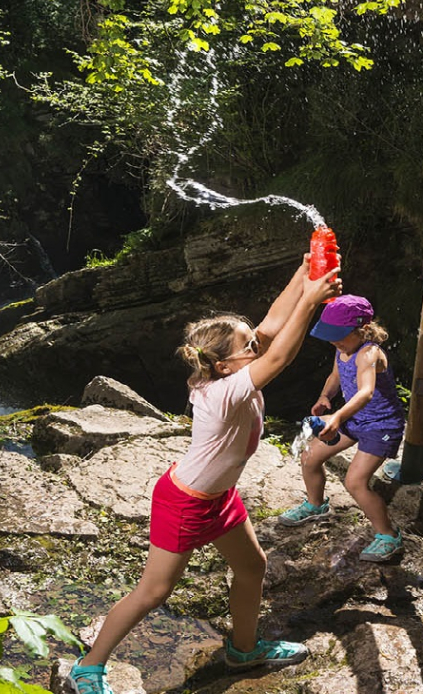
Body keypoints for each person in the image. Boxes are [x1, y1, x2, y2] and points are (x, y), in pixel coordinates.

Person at [67, 256, 343, 694]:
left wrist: (305, 272)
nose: (258, 346)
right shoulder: (224, 393)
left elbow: (273, 324)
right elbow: (282, 355)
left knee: (252, 566)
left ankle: (243, 650)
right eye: (249, 345)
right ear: (224, 366)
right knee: (154, 592)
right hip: (186, 502)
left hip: (219, 497)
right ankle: (88, 667)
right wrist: (310, 301)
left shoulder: (228, 370)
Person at [276, 295, 408, 563]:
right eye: (331, 337)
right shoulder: (343, 349)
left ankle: (388, 535)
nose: (334, 342)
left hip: (381, 424)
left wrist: (337, 417)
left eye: (339, 337)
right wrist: (325, 396)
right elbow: (335, 376)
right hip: (355, 418)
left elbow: (366, 392)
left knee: (355, 482)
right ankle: (315, 505)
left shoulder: (369, 353)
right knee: (310, 456)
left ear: (362, 329)